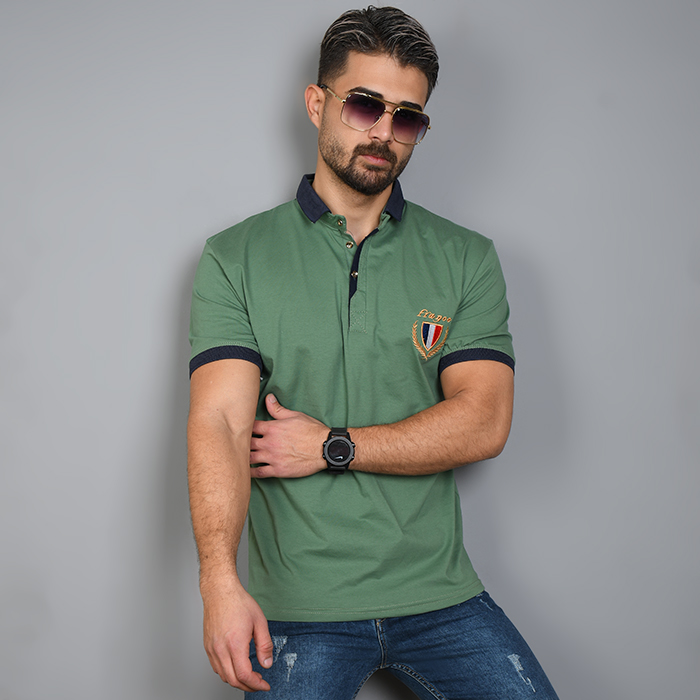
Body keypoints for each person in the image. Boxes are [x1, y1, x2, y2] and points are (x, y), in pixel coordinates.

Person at [187, 6, 559, 699]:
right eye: (364, 105)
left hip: (441, 598)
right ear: (317, 103)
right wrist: (219, 582)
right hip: (300, 608)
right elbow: (221, 423)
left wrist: (331, 445)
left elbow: (484, 422)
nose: (384, 132)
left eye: (407, 117)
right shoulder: (234, 257)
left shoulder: (466, 258)